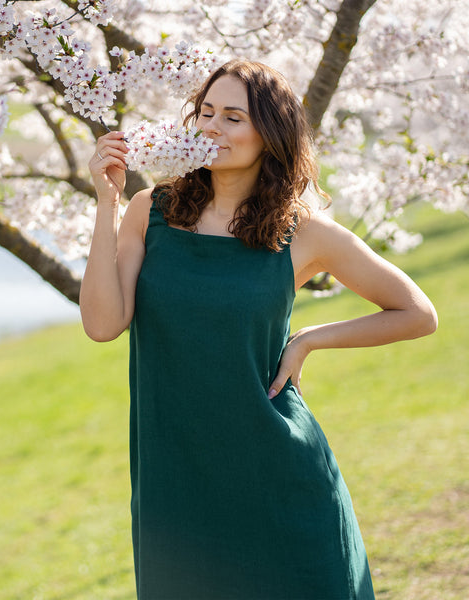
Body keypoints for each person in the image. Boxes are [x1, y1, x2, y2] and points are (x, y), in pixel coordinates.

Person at [80, 59, 437, 600]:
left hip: (279, 472)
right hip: (176, 476)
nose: (213, 128)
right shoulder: (148, 210)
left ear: (268, 132)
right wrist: (107, 202)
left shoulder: (304, 230)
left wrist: (309, 339)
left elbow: (416, 312)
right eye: (205, 113)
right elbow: (103, 325)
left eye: (233, 117)